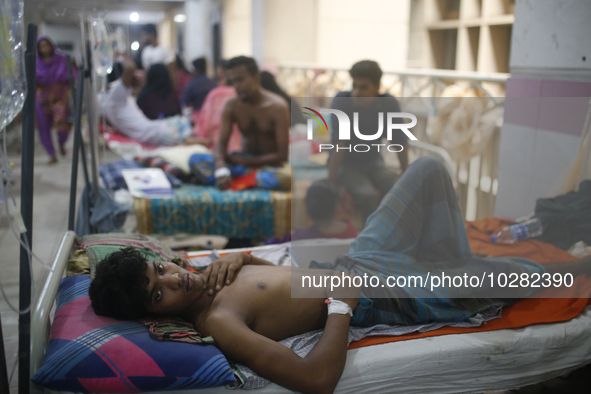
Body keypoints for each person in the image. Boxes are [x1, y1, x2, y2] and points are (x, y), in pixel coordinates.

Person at [90, 155, 591, 394]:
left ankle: (455, 263)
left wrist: (246, 259)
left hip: (357, 260)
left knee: (430, 168)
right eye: (159, 296)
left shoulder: (208, 272)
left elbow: (278, 287)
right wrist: (341, 307)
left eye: (162, 270)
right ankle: (538, 269)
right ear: (154, 315)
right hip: (377, 291)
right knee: (524, 278)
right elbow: (316, 379)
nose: (174, 281)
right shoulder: (219, 323)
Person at [328, 60, 409, 224]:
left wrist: (407, 176)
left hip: (374, 163)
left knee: (400, 191)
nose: (357, 93)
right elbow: (339, 143)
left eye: (364, 87)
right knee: (367, 195)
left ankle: (401, 236)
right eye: (354, 86)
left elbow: (399, 142)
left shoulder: (388, 103)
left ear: (377, 88)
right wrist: (331, 183)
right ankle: (373, 240)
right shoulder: (342, 101)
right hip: (347, 165)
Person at [215, 56, 290, 189]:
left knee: (286, 178)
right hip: (241, 164)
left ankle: (241, 181)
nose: (237, 86)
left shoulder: (277, 107)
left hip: (270, 167)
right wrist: (221, 170)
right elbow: (221, 146)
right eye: (233, 82)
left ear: (257, 77)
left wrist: (247, 162)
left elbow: (282, 155)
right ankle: (237, 179)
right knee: (196, 159)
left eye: (241, 80)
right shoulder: (232, 106)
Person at [100, 58, 196, 146]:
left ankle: (189, 139)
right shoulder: (115, 95)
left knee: (182, 121)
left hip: (156, 129)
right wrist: (121, 58)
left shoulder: (113, 99)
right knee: (183, 121)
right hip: (157, 133)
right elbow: (130, 68)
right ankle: (190, 140)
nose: (137, 76)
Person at [35, 36, 76, 164]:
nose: (44, 49)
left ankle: (61, 144)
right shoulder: (35, 62)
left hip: (60, 96)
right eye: (41, 46)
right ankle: (51, 154)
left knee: (62, 124)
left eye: (46, 45)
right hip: (42, 96)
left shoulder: (62, 59)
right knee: (43, 126)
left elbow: (72, 75)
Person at [192, 60, 243, 152]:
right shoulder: (242, 95)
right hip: (241, 149)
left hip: (219, 147)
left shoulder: (216, 94)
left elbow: (204, 127)